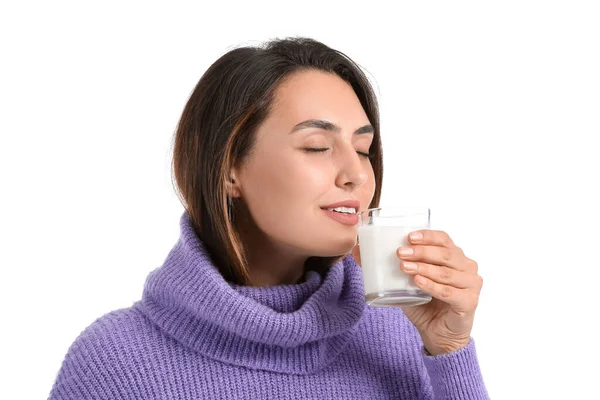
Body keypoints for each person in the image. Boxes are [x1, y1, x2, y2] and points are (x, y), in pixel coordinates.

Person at [48, 37, 489, 399]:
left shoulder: (401, 332)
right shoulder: (115, 364)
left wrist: (448, 349)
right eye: (318, 146)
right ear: (228, 168)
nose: (357, 174)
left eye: (363, 149)